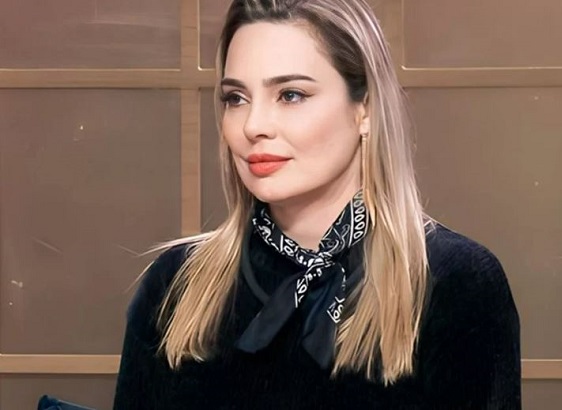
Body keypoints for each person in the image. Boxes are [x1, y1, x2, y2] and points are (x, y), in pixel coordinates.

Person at [113, 0, 521, 408]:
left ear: (365, 108)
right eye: (236, 98)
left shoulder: (455, 282)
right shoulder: (176, 283)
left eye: (290, 95)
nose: (253, 126)